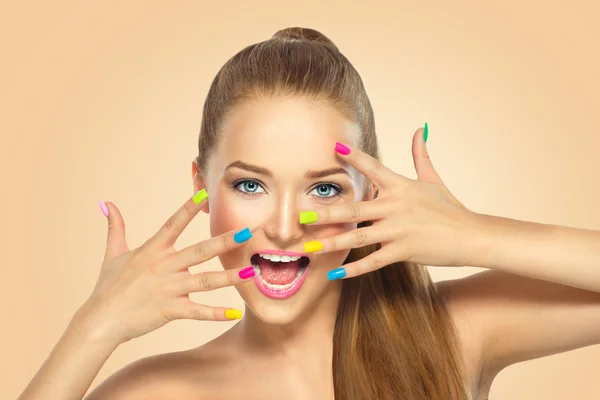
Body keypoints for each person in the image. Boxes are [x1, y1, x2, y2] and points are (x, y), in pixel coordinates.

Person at [18, 27, 600, 400]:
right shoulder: (161, 391)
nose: (285, 225)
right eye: (251, 184)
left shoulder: (451, 337)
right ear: (201, 185)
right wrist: (92, 329)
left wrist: (478, 237)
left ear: (368, 194)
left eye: (322, 190)